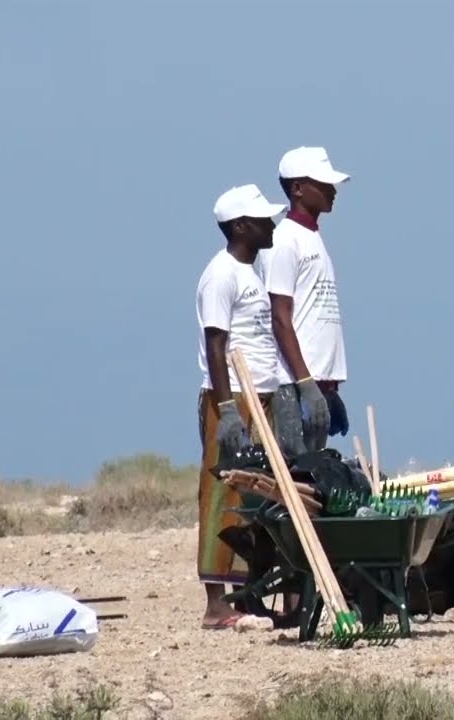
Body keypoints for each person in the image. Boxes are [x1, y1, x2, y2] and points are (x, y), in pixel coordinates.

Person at [195, 183, 289, 629]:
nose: (270, 225)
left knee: (256, 498)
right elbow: (217, 345)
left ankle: (246, 594)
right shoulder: (221, 274)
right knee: (222, 493)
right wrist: (227, 408)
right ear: (239, 226)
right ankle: (216, 604)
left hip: (262, 393)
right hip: (232, 395)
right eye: (261, 220)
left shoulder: (255, 270)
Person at [257, 146, 352, 456]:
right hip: (293, 386)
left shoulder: (312, 238)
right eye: (322, 184)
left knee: (317, 477)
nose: (332, 191)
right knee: (296, 474)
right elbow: (280, 317)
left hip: (315, 383)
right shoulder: (285, 240)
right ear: (297, 188)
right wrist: (306, 383)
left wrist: (328, 389)